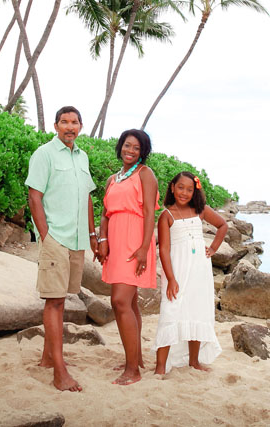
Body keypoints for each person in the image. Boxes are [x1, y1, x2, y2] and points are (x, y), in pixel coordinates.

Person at [25, 106, 97, 392]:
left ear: (80, 126)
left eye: (74, 122)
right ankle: (59, 370)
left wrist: (93, 235)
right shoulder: (44, 154)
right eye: (64, 122)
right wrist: (46, 236)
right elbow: (34, 196)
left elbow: (88, 198)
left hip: (78, 240)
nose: (70, 126)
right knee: (54, 302)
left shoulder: (83, 157)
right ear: (56, 125)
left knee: (62, 299)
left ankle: (46, 357)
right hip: (56, 238)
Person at [97, 129, 158, 385]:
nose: (130, 151)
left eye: (136, 148)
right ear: (120, 146)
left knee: (120, 302)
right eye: (127, 145)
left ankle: (132, 370)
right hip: (115, 242)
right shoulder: (114, 178)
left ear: (142, 152)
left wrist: (145, 247)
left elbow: (148, 213)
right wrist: (102, 240)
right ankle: (136, 359)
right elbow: (105, 213)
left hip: (134, 243)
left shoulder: (145, 174)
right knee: (129, 303)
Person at [153, 171, 226, 375]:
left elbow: (222, 225)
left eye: (189, 189)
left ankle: (194, 361)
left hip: (199, 271)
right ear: (172, 188)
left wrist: (212, 249)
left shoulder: (200, 210)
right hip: (177, 270)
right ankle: (160, 367)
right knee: (170, 312)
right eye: (180, 188)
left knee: (197, 311)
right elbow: (164, 250)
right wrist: (171, 278)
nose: (184, 192)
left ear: (195, 191)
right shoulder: (166, 215)